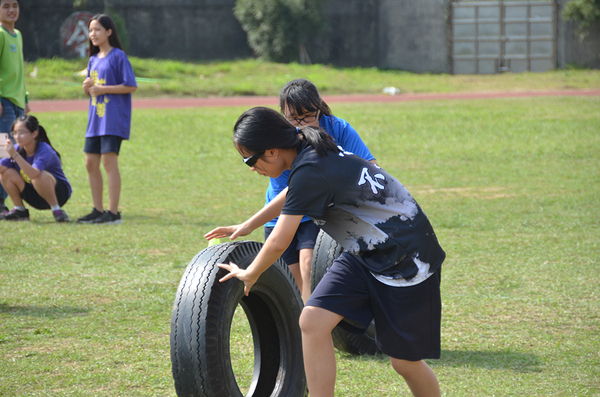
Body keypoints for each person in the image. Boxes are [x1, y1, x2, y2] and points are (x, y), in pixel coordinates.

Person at [206, 107, 445, 397]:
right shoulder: (308, 146)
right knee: (312, 321)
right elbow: (292, 192)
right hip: (365, 253)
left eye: (249, 160)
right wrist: (249, 224)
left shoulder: (311, 165)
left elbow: (280, 240)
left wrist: (250, 272)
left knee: (404, 363)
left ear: (271, 151)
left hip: (407, 258)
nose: (252, 168)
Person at [215, 78, 377, 302]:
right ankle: (308, 325)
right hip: (281, 212)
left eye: (308, 116)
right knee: (292, 281)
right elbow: (289, 194)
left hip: (312, 212)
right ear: (282, 114)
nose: (301, 124)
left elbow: (370, 168)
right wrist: (247, 225)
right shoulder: (280, 142)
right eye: (293, 118)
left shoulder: (335, 130)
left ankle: (314, 323)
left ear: (319, 108)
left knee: (309, 265)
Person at [77, 14, 137, 225]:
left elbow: (130, 85)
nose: (92, 34)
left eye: (97, 30)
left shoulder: (118, 56)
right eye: (91, 30)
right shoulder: (93, 59)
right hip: (95, 119)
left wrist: (102, 89)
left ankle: (113, 213)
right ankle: (98, 209)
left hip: (113, 119)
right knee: (90, 163)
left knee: (108, 163)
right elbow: (92, 91)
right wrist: (88, 89)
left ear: (109, 32)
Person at [0, 115, 71, 222]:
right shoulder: (15, 149)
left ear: (34, 134)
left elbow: (33, 174)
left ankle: (57, 211)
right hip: (34, 194)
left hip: (58, 194)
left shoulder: (44, 149)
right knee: (6, 173)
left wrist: (15, 155)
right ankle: (20, 210)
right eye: (14, 133)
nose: (17, 137)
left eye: (22, 133)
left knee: (38, 175)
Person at [0, 0, 29, 214]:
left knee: (13, 153)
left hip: (18, 103)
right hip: (5, 103)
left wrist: (25, 98)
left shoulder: (17, 35)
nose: (11, 10)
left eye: (15, 5)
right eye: (5, 6)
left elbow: (19, 70)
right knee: (3, 152)